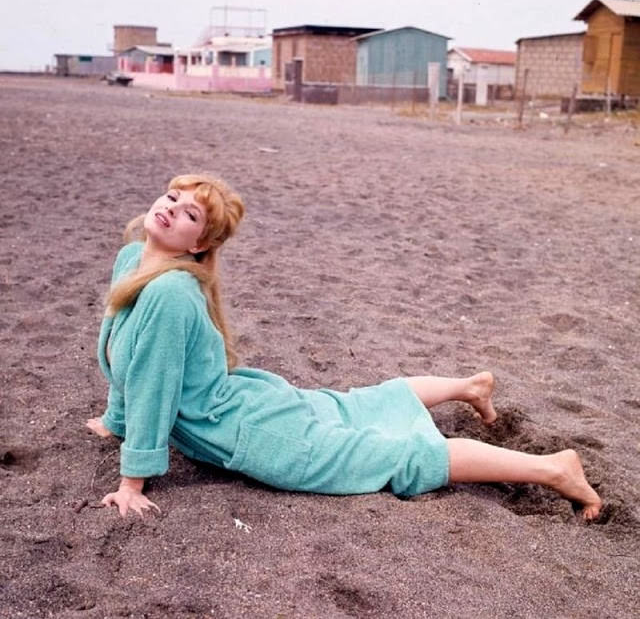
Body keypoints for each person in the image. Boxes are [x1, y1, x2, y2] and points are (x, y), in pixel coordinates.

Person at [87, 174, 602, 521]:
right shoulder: (133, 258)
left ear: (200, 244)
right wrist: (116, 419)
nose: (171, 210)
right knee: (356, 407)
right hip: (245, 401)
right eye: (173, 199)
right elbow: (121, 353)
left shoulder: (174, 292)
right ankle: (468, 387)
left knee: (396, 459)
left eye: (190, 215)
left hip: (247, 429)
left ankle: (552, 467)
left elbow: (154, 384)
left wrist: (134, 482)